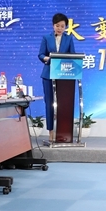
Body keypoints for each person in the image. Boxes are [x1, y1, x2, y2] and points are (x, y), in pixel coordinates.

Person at [38, 13, 76, 142]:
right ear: (53, 25)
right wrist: (47, 58)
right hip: (48, 75)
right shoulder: (46, 38)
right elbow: (41, 54)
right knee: (50, 104)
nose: (60, 28)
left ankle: (62, 133)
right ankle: (51, 132)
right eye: (57, 25)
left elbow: (73, 56)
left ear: (65, 27)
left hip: (64, 76)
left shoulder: (69, 39)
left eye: (62, 26)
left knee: (63, 105)